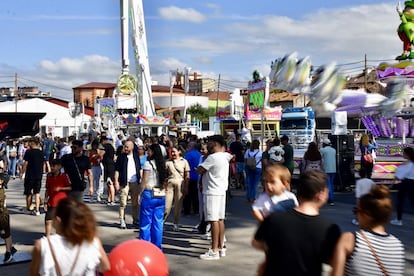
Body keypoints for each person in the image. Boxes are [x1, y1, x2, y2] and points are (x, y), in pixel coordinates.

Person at [252, 170, 341, 276]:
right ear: (321, 194)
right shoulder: (330, 229)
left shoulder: (274, 219)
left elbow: (256, 242)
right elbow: (334, 261)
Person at [330, 185, 405, 275]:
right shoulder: (398, 246)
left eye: (356, 211)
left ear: (367, 214)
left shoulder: (350, 240)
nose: (356, 215)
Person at [29, 197, 110, 275]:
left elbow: (34, 274)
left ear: (58, 221)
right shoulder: (92, 241)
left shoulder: (43, 245)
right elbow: (105, 266)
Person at [197, 135, 233, 260]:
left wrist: (205, 159)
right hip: (221, 190)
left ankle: (214, 250)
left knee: (213, 221)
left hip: (211, 190)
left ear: (216, 144)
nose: (207, 145)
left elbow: (200, 170)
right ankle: (221, 246)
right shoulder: (225, 156)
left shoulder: (212, 158)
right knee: (220, 219)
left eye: (210, 142)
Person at [137, 143, 168, 249]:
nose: (147, 152)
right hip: (161, 194)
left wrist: (139, 193)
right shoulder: (163, 164)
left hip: (149, 193)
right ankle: (157, 246)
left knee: (146, 222)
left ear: (153, 152)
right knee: (158, 223)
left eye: (149, 150)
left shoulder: (148, 164)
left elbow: (144, 180)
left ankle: (145, 246)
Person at [114, 140, 141, 229]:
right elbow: (117, 170)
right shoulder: (121, 157)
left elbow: (139, 169)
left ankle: (135, 219)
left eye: (127, 146)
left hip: (135, 182)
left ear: (132, 147)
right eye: (124, 146)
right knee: (123, 203)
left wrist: (140, 180)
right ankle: (122, 220)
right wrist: (116, 182)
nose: (125, 148)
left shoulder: (136, 157)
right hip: (124, 182)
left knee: (135, 203)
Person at [164, 146, 190, 231]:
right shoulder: (168, 162)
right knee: (167, 205)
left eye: (174, 152)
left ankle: (176, 223)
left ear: (179, 152)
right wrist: (163, 186)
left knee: (178, 205)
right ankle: (162, 222)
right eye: (171, 152)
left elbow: (187, 175)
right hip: (170, 183)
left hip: (180, 183)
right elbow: (164, 175)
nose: (173, 153)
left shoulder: (184, 161)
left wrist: (186, 187)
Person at [43, 159, 71, 236]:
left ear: (59, 167)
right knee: (48, 221)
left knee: (59, 221)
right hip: (51, 202)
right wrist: (45, 201)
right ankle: (47, 237)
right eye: (51, 165)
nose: (52, 167)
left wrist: (61, 189)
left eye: (54, 166)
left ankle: (59, 238)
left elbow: (70, 188)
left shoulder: (64, 176)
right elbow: (47, 189)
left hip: (61, 203)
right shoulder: (49, 176)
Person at [21, 137, 45, 216]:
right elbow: (43, 163)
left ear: (32, 143)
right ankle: (37, 210)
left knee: (28, 192)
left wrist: (22, 172)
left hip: (30, 175)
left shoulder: (29, 152)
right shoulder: (41, 152)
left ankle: (28, 207)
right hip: (38, 175)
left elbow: (25, 163)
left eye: (29, 142)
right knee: (37, 192)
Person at [390, 146, 414, 226]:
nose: (402, 154)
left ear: (407, 154)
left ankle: (398, 220)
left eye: (403, 153)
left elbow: (398, 176)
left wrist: (392, 184)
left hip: (406, 183)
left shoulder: (406, 163)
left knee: (400, 201)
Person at [0, 174, 17, 263]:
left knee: (5, 234)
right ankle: (11, 248)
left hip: (2, 215)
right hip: (4, 214)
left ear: (1, 181)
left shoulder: (0, 192)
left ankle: (8, 253)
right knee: (7, 233)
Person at [183, 141, 202, 216]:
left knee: (187, 195)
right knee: (196, 195)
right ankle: (196, 210)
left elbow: (185, 165)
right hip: (197, 177)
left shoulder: (188, 155)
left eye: (189, 146)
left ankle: (187, 211)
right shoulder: (200, 154)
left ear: (191, 147)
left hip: (189, 177)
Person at [320, 138, 337, 205]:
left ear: (324, 144)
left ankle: (330, 199)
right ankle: (331, 198)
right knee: (331, 184)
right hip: (333, 169)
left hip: (326, 169)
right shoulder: (334, 150)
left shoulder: (322, 150)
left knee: (327, 184)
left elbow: (320, 157)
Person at [100, 137, 116, 206]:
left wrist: (97, 154)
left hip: (109, 167)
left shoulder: (106, 146)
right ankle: (109, 199)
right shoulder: (111, 147)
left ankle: (112, 200)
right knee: (108, 184)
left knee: (110, 184)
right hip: (110, 166)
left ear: (104, 141)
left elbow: (101, 154)